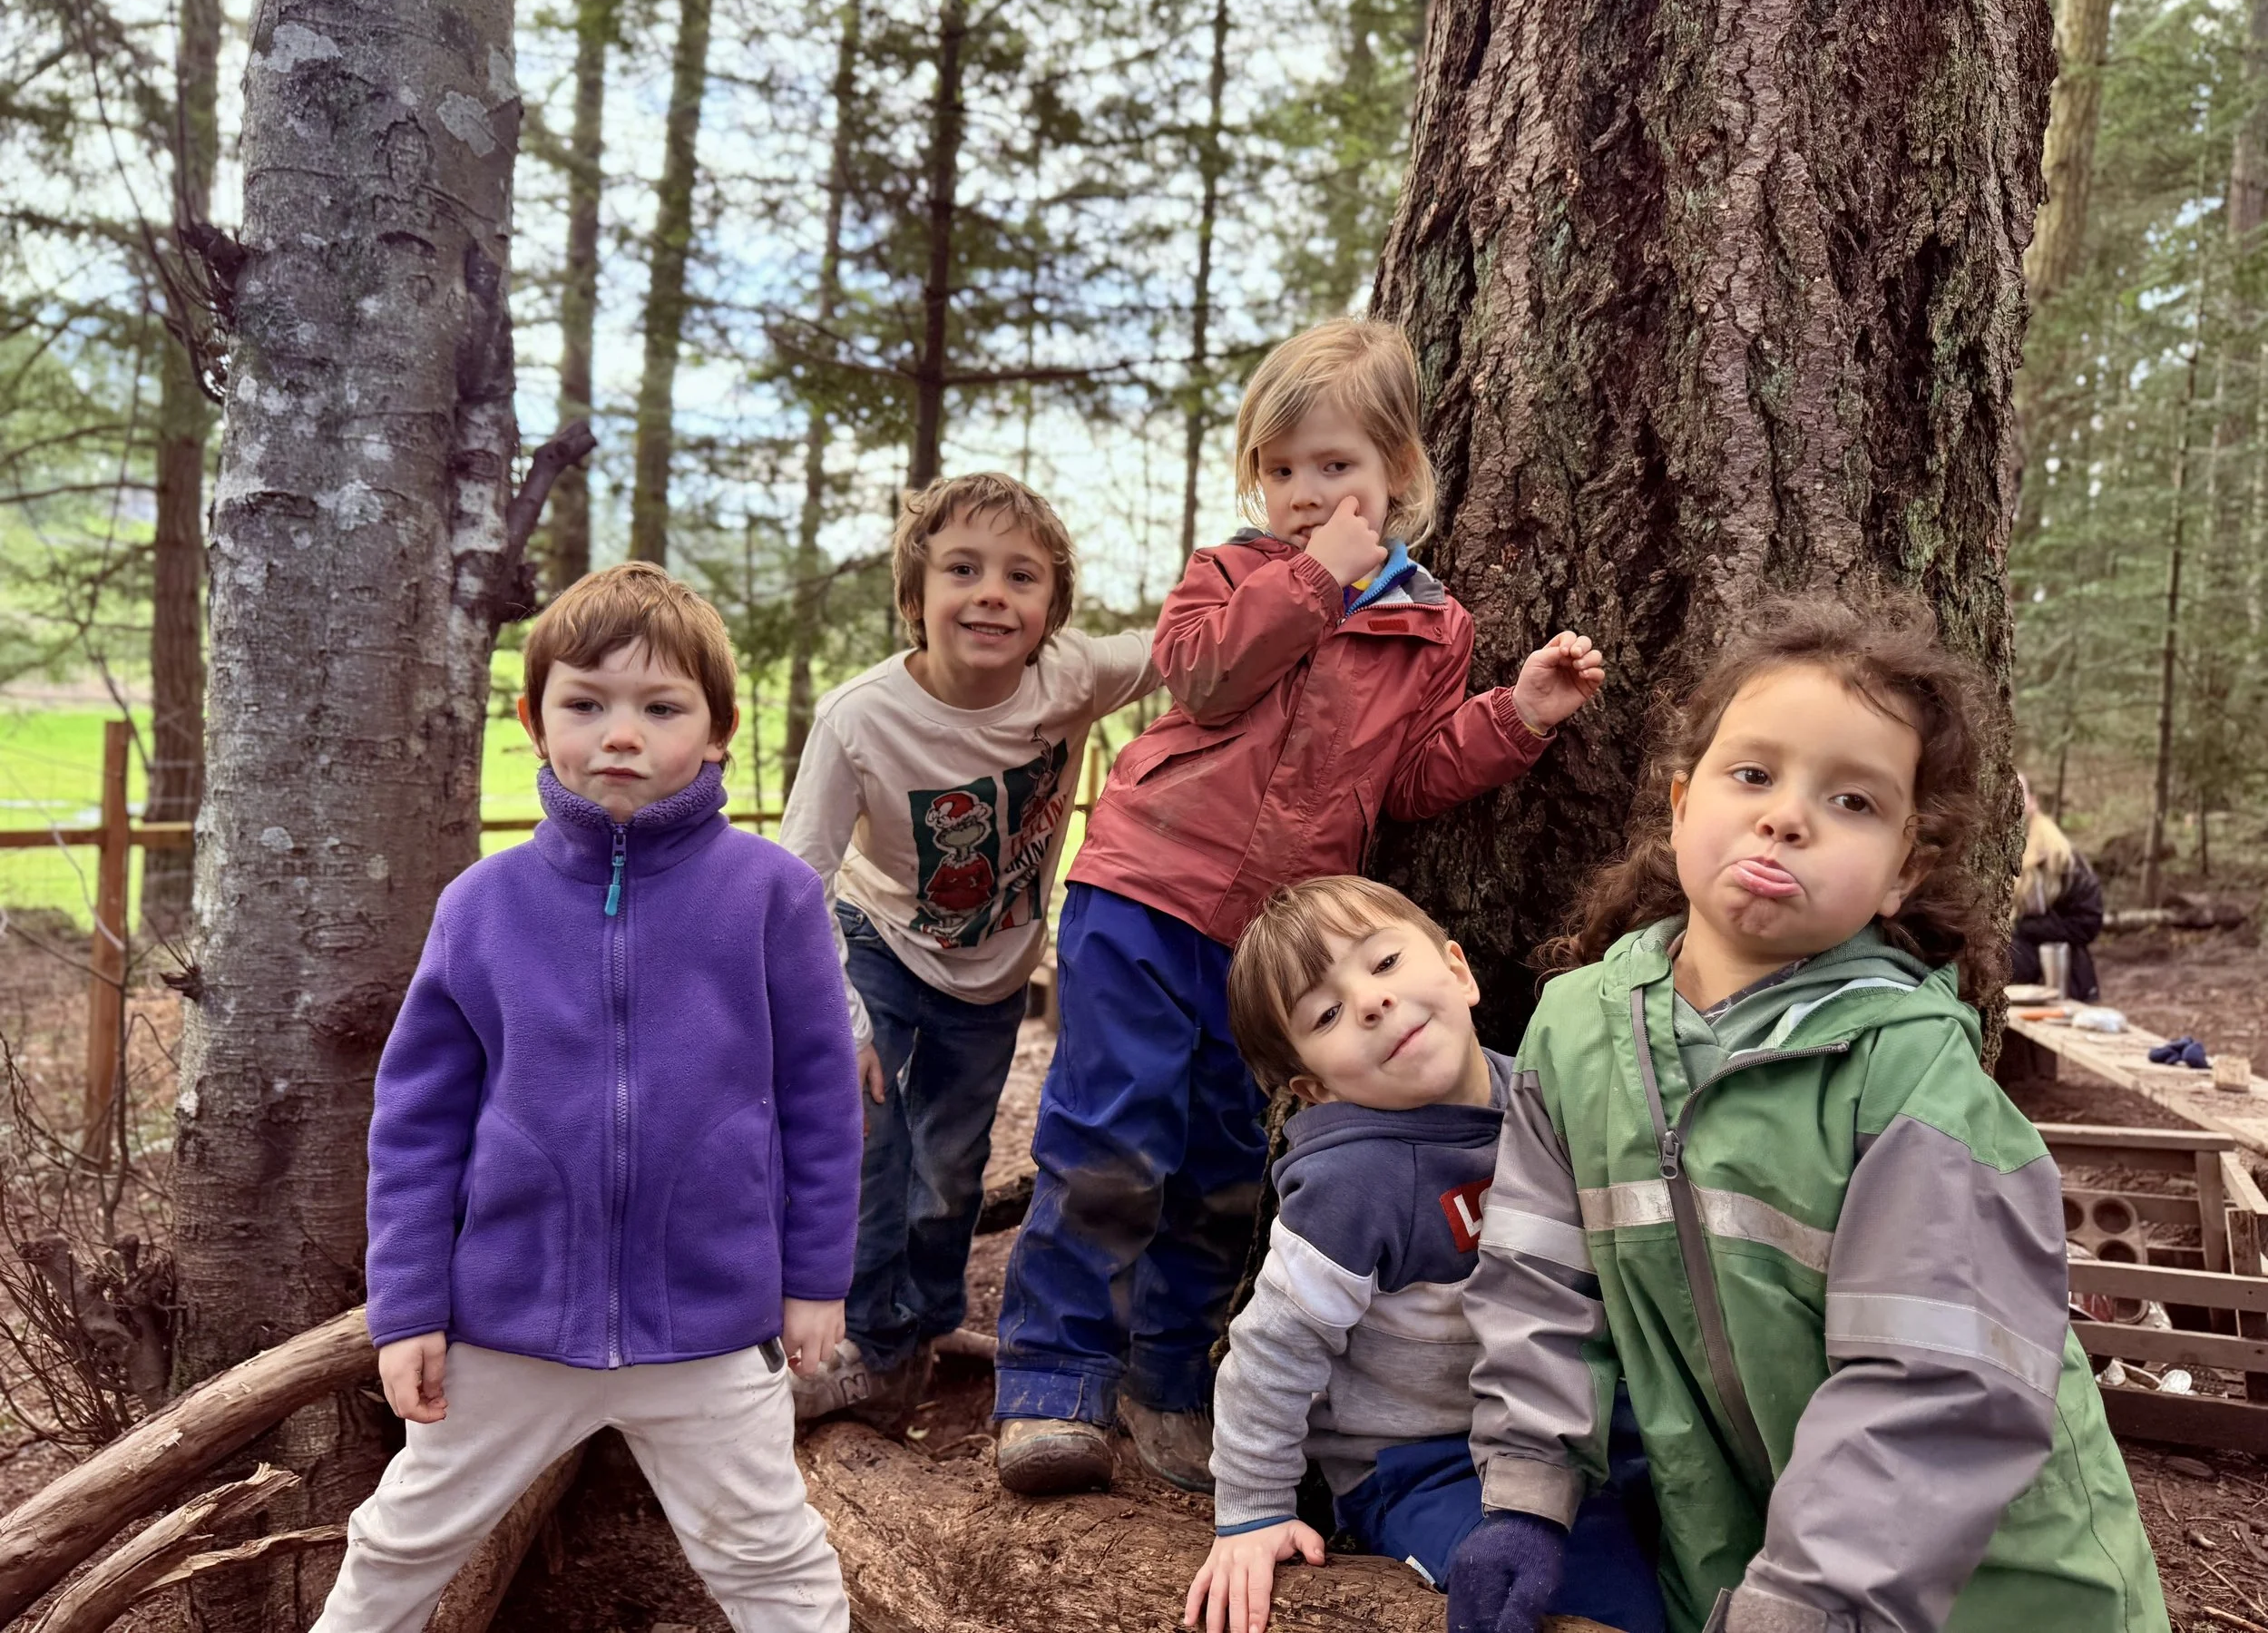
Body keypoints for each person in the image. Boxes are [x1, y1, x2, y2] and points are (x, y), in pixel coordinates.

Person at [1450, 593, 2166, 1633]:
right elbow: (1535, 1280)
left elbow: (1937, 1388)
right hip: (1737, 1570)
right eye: (1753, 775)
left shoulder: (1911, 1076)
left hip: (2002, 1592)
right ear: (1681, 803)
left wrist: (1808, 1598)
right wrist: (1526, 1498)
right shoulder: (1572, 1032)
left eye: (1853, 803)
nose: (1787, 816)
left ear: (1901, 871)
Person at [992, 317, 1607, 1497]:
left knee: (1231, 1159)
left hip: (1274, 950)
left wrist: (1516, 711)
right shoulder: (1228, 574)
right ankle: (1051, 1383)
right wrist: (1312, 578)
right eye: (1282, 470)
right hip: (1145, 888)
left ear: (1397, 479)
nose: (1305, 492)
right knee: (1112, 1133)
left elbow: (1415, 775)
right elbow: (1206, 673)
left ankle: (1164, 1379)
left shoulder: (1436, 624)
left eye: (1335, 469)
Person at [313, 564, 860, 1633]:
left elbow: (822, 1107)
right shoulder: (482, 906)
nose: (621, 734)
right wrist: (409, 1304)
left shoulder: (772, 899)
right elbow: (415, 1123)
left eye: (660, 709)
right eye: (586, 703)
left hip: (710, 1324)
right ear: (532, 720)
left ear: (716, 734)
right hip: (507, 1324)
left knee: (772, 1563)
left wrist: (815, 1281)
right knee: (398, 1543)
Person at [1184, 875, 1665, 1633]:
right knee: (1588, 1598)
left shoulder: (1544, 1096)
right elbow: (1271, 1350)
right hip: (1427, 1460)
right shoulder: (1354, 1181)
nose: (1373, 1002)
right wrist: (1251, 1513)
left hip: (1586, 1419)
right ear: (1315, 1088)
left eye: (1382, 964)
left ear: (1459, 970)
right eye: (1329, 1012)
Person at [779, 472, 1157, 1423]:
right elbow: (795, 883)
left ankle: (923, 1324)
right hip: (875, 942)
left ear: (1051, 612)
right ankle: (860, 1341)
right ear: (915, 599)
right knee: (872, 1144)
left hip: (991, 974)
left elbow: (1190, 645)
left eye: (1021, 577)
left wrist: (1312, 573)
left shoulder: (1070, 678)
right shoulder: (861, 719)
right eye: (962, 569)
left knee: (949, 1167)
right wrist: (844, 1021)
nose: (992, 592)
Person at [2010, 773, 2104, 1000]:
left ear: (2032, 802)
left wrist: (2022, 926)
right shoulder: (1983, 853)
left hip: (2063, 977)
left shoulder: (2058, 856)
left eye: (2017, 796)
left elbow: (2088, 920)